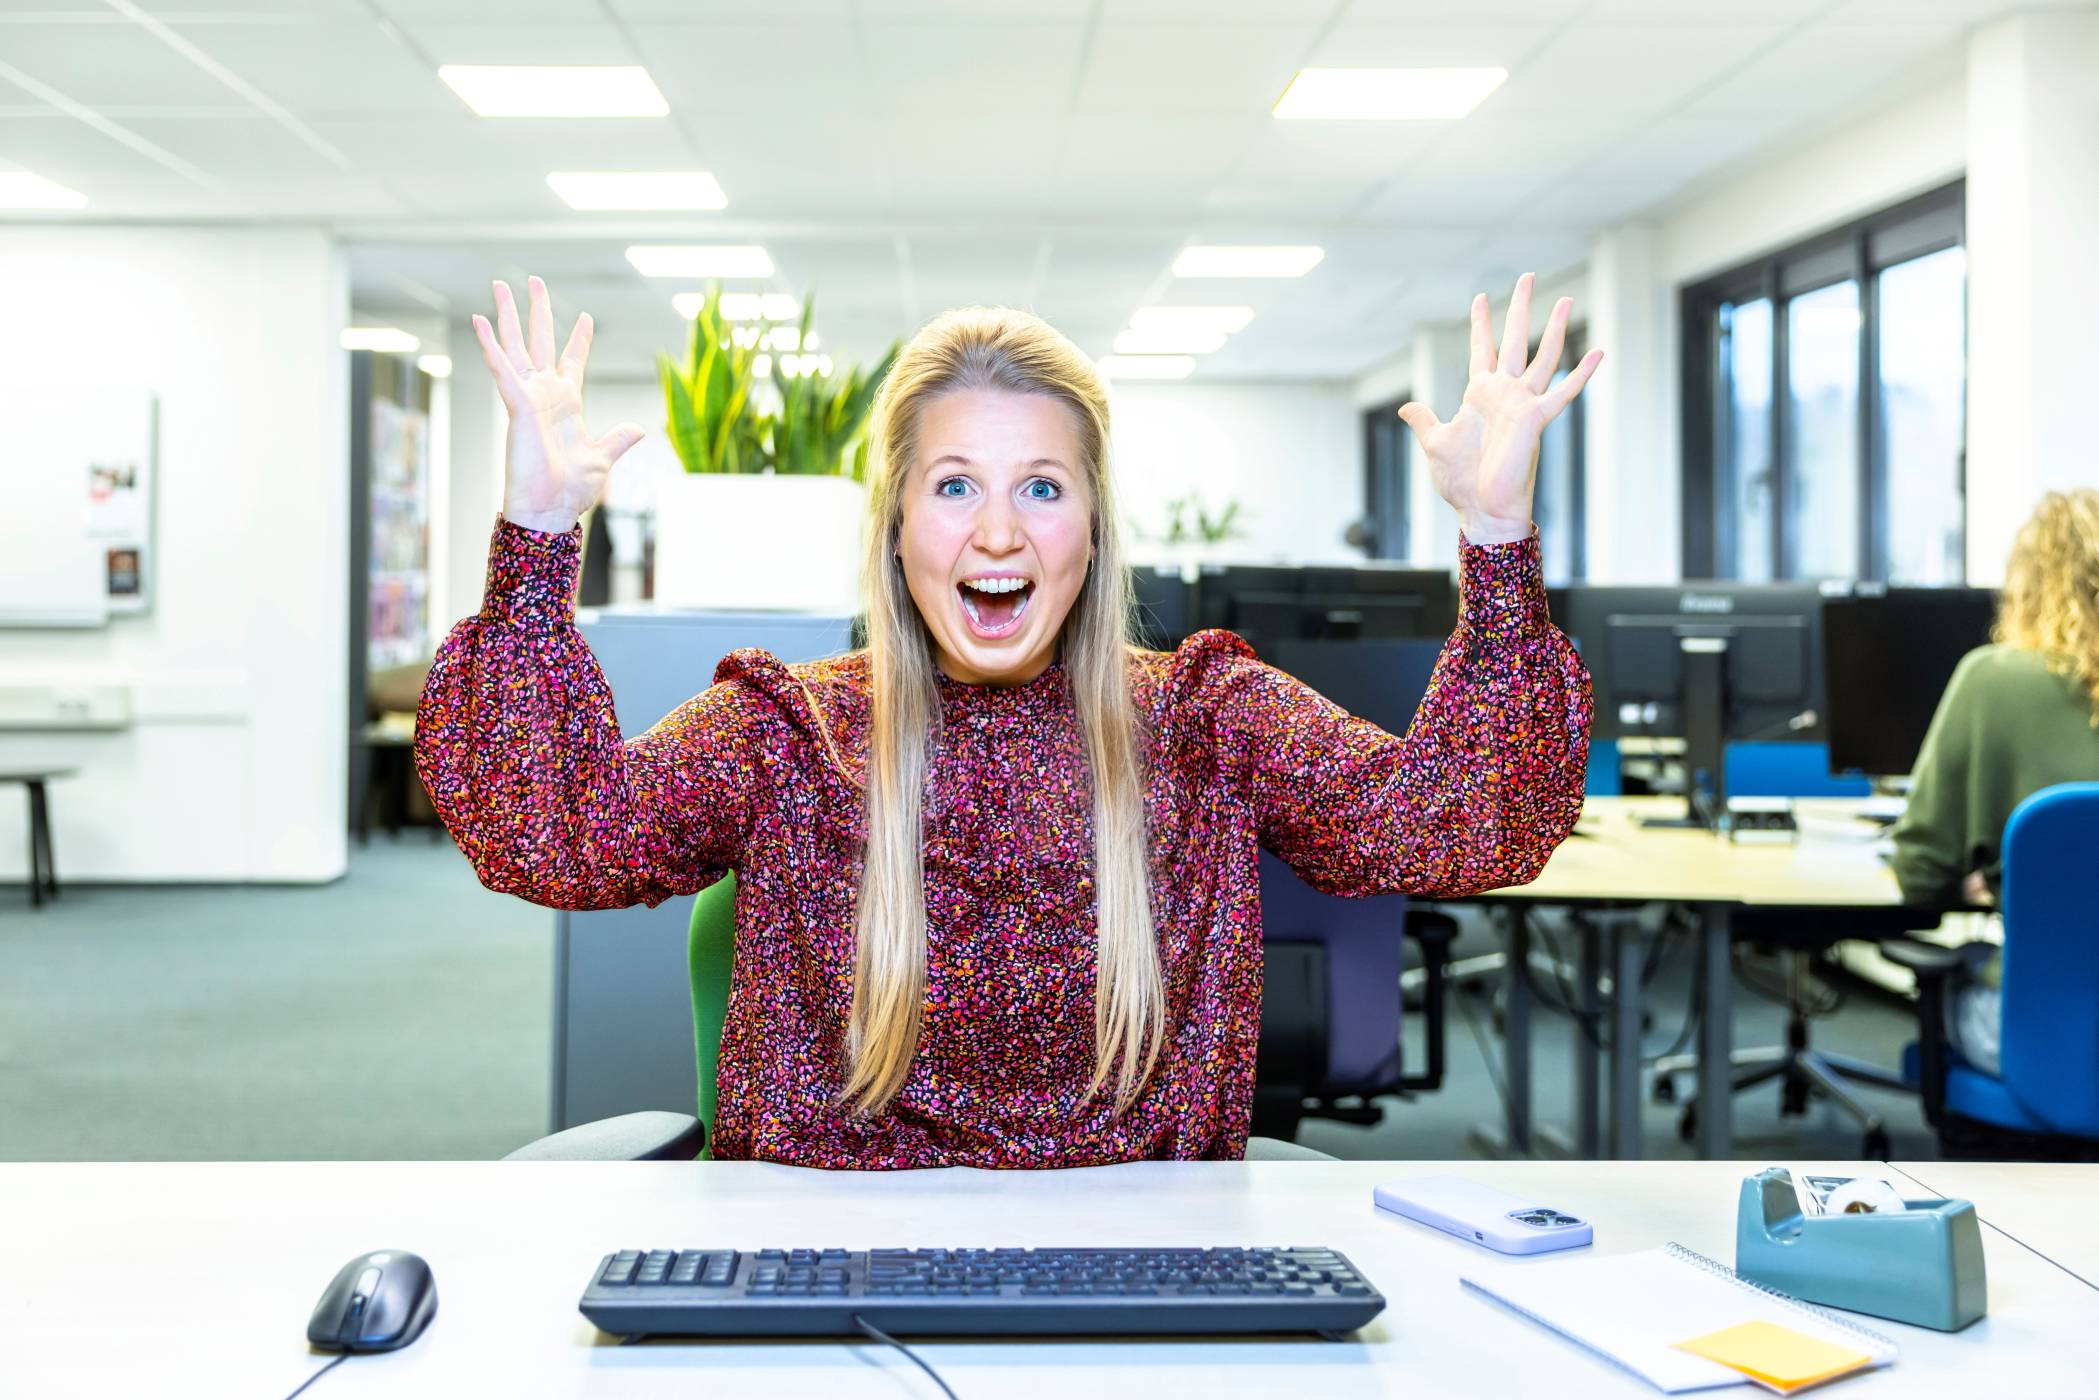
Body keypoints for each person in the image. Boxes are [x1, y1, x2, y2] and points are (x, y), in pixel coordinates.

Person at [416, 273, 1600, 1167]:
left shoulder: (1204, 723)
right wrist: (536, 541)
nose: (996, 532)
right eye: (953, 486)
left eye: (1040, 485)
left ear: (1091, 526)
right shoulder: (785, 733)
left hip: (1139, 1288)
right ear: (896, 525)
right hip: (826, 1280)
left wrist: (1496, 540)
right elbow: (553, 834)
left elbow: (1460, 827)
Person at [1890, 489, 2099, 1076]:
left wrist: (1993, 878)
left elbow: (1920, 872)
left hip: (2048, 1037)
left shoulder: (1991, 679)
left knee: (1969, 965)